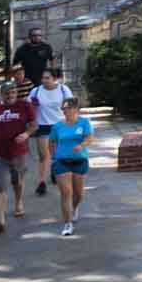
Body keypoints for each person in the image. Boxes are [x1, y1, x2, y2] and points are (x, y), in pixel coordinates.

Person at [0, 78, 34, 234]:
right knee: (0, 186)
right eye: (7, 93)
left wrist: (26, 134)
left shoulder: (25, 106)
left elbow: (34, 125)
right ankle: (0, 220)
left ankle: (18, 202)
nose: (10, 95)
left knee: (17, 181)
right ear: (1, 94)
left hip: (18, 152)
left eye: (13, 92)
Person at [48, 97, 93, 237]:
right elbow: (51, 141)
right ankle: (68, 224)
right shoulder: (57, 126)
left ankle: (75, 208)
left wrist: (81, 146)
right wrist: (53, 157)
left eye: (66, 108)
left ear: (75, 109)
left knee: (79, 194)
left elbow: (89, 138)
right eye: (63, 109)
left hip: (80, 161)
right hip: (62, 162)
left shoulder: (84, 123)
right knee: (66, 193)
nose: (64, 111)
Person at [26, 68, 73, 197]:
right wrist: (32, 118)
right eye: (43, 78)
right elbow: (28, 107)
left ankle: (54, 168)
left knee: (58, 153)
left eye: (47, 78)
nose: (44, 80)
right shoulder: (36, 91)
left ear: (55, 79)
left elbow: (71, 107)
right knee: (43, 155)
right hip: (42, 125)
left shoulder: (63, 90)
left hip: (60, 125)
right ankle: (42, 183)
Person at [11, 29, 54, 104]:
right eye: (35, 35)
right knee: (28, 101)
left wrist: (52, 74)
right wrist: (18, 77)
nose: (37, 37)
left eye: (39, 35)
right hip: (27, 80)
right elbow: (15, 65)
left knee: (41, 100)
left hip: (42, 78)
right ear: (30, 37)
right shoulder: (22, 49)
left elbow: (52, 60)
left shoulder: (46, 47)